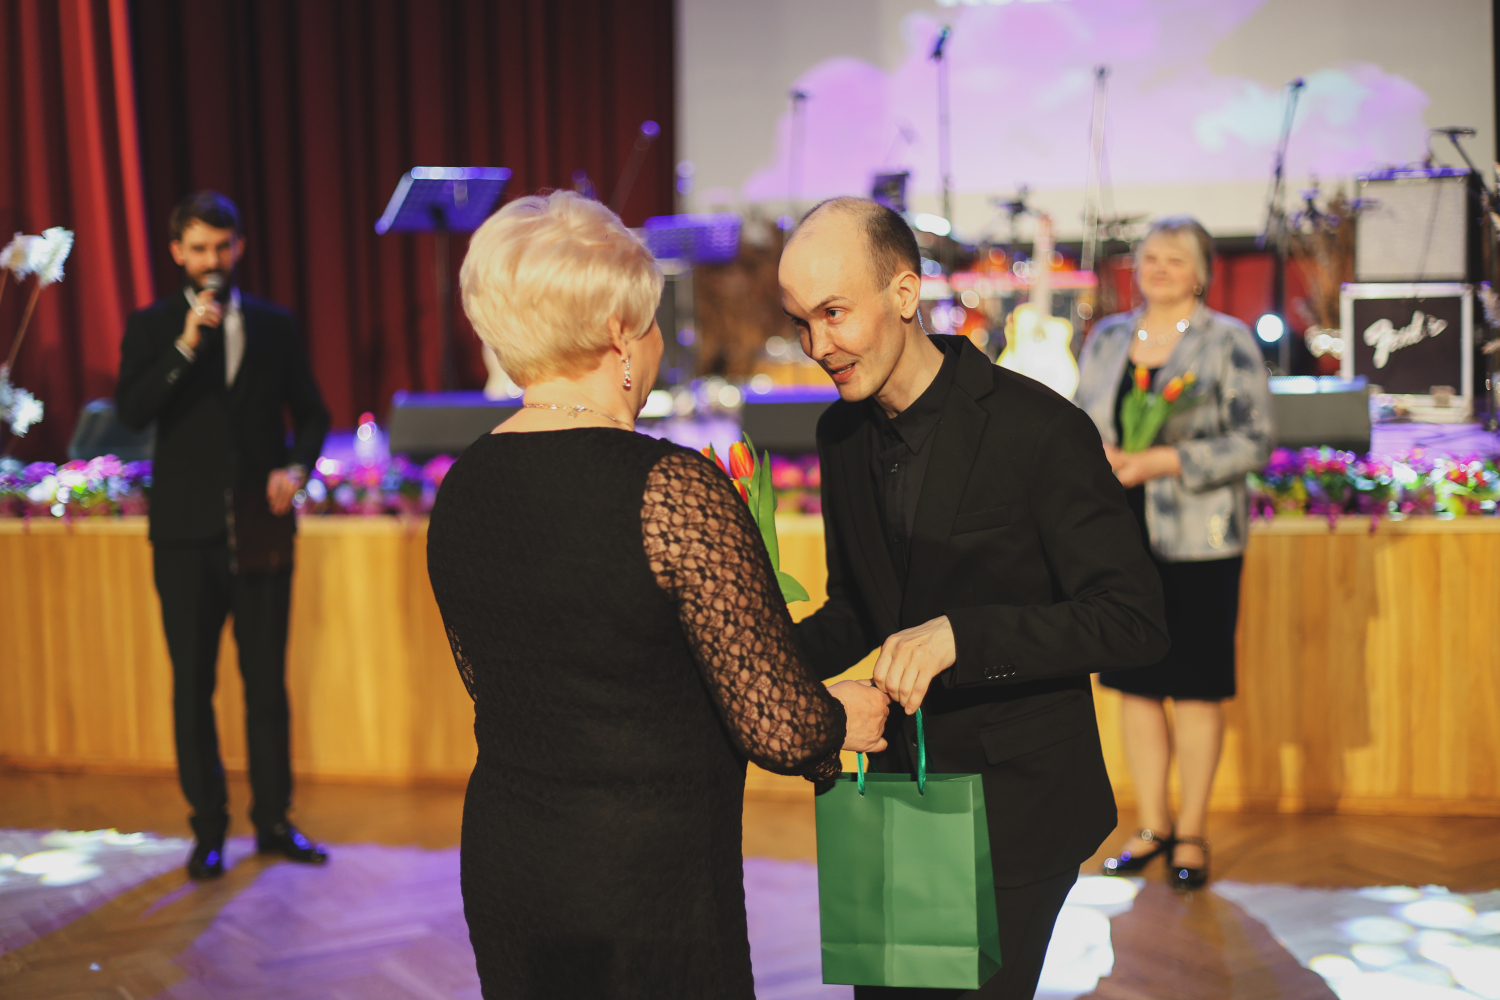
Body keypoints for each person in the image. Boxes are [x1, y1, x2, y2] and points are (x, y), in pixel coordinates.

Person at [425, 190, 890, 1000]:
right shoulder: (670, 488)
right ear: (619, 334)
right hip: (643, 877)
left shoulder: (462, 486)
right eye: (648, 320)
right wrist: (838, 717)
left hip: (509, 861)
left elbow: (525, 685)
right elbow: (779, 729)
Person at [781, 197, 1170, 1000]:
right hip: (893, 790)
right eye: (800, 322)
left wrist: (964, 635)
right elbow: (859, 608)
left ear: (904, 292)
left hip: (1016, 808)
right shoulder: (840, 435)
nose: (817, 346)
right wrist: (752, 659)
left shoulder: (1038, 428)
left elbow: (1133, 620)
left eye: (833, 313)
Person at [116, 191, 331, 879]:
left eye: (222, 246)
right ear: (177, 252)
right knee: (193, 684)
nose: (213, 260)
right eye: (199, 248)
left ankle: (274, 821)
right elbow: (132, 411)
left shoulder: (274, 324)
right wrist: (185, 344)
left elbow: (314, 413)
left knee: (266, 682)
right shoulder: (153, 326)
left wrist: (296, 467)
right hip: (185, 535)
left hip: (260, 525)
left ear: (238, 247)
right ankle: (207, 828)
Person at [1075, 216, 1275, 890]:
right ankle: (1151, 824)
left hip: (1200, 540)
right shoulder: (1107, 338)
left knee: (1193, 687)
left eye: (1174, 259)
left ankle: (1191, 831)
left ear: (1200, 273)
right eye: (1150, 257)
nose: (1158, 268)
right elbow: (1078, 423)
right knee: (1134, 686)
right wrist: (1097, 455)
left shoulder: (1228, 340)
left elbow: (1254, 440)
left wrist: (1165, 460)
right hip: (1118, 536)